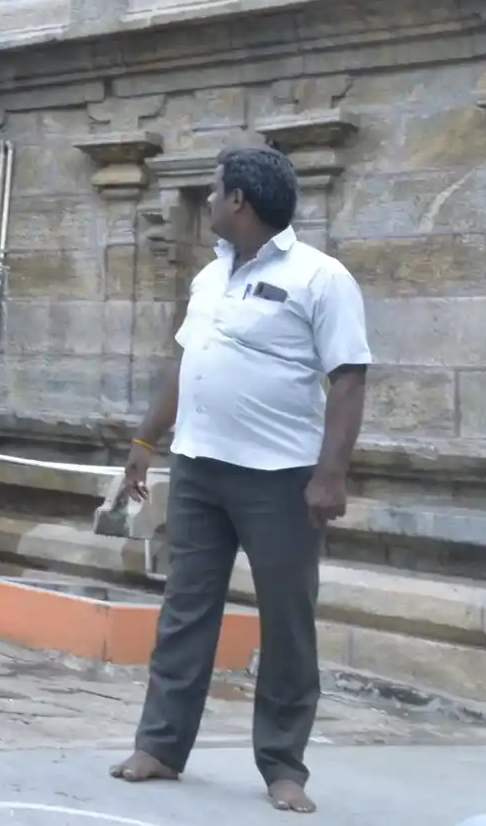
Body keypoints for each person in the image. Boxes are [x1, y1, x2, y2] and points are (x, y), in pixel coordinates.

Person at [109, 146, 371, 815]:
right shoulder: (209, 277)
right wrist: (144, 441)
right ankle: (161, 745)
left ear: (238, 202)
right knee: (185, 610)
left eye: (214, 187)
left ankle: (283, 765)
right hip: (198, 468)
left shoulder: (321, 276)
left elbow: (347, 375)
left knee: (286, 620)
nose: (206, 196)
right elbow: (186, 362)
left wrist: (329, 473)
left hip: (281, 479)